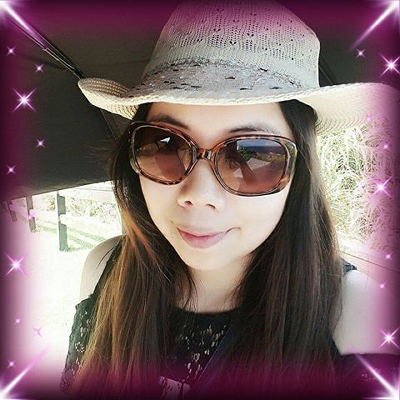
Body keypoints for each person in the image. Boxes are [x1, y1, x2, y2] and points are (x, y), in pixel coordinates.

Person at [60, 1, 399, 399]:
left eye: (250, 156)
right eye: (166, 145)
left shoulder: (357, 316)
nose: (199, 196)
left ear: (299, 173)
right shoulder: (104, 270)